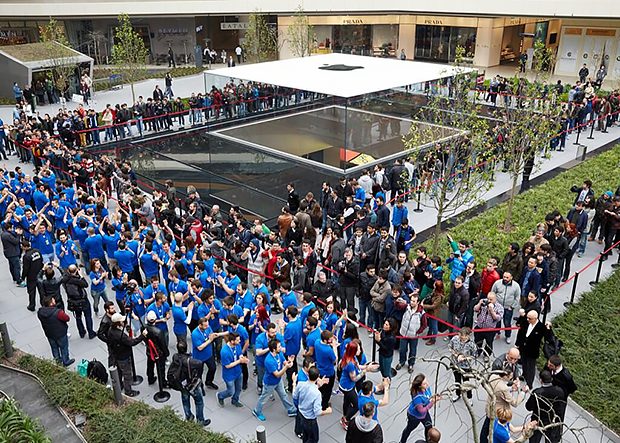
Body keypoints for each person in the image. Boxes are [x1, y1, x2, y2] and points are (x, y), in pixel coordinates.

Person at [252, 338, 297, 421]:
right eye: (279, 346)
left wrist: (289, 362)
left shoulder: (279, 354)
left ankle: (291, 410)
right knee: (263, 399)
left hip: (278, 381)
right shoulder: (269, 361)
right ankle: (257, 411)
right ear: (273, 349)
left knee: (283, 395)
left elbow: (284, 362)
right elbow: (277, 374)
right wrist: (286, 367)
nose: (281, 348)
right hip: (270, 383)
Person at [170, 341, 211, 426]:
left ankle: (188, 416)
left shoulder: (175, 357)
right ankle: (200, 421)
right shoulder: (191, 362)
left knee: (185, 400)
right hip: (191, 385)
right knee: (199, 402)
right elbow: (199, 364)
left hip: (181, 384)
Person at [480, 369, 527, 443]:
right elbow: (514, 403)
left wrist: (511, 389)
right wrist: (522, 392)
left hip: (490, 407)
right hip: (498, 411)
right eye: (510, 377)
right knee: (489, 428)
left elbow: (499, 391)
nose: (511, 379)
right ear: (505, 376)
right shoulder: (503, 388)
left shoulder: (493, 376)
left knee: (485, 429)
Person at [107, 312, 147, 397]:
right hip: (123, 356)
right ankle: (128, 391)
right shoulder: (119, 335)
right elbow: (132, 342)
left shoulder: (111, 330)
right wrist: (142, 336)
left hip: (116, 354)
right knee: (127, 374)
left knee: (120, 372)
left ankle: (120, 386)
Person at [293, 366, 332, 443]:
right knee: (314, 439)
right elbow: (317, 412)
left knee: (305, 435)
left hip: (301, 414)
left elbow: (295, 395)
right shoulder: (317, 394)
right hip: (310, 419)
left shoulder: (301, 384)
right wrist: (327, 411)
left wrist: (294, 382)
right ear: (317, 377)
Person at [400, 373, 441, 443]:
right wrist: (432, 402)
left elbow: (428, 397)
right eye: (424, 383)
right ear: (419, 386)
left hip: (424, 414)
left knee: (429, 427)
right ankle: (402, 441)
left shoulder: (426, 388)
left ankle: (428, 440)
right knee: (409, 429)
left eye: (426, 382)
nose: (427, 384)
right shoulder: (417, 397)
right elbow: (421, 410)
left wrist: (433, 397)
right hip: (415, 416)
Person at [525, 370, 564, 443]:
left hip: (537, 420)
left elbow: (528, 407)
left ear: (540, 380)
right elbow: (560, 408)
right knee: (549, 439)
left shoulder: (537, 393)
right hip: (551, 420)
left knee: (534, 439)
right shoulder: (560, 392)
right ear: (551, 379)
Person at [515, 310, 551, 388]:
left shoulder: (541, 327)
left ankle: (529, 383)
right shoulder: (525, 322)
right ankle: (524, 375)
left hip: (532, 350)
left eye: (530, 318)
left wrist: (548, 329)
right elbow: (520, 333)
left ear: (535, 318)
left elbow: (547, 338)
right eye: (527, 318)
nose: (528, 320)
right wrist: (517, 344)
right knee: (523, 362)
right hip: (523, 348)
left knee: (531, 367)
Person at [37, 296, 75, 367]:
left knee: (54, 348)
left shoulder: (40, 312)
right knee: (64, 347)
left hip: (49, 334)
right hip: (60, 333)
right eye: (53, 300)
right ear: (51, 303)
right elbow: (67, 318)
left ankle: (58, 362)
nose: (55, 301)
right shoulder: (58, 312)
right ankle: (66, 361)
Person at [62, 264, 96, 339]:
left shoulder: (65, 280)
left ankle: (81, 332)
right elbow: (86, 284)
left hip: (73, 301)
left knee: (78, 317)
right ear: (76, 270)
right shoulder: (77, 280)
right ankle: (90, 332)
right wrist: (81, 276)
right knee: (88, 316)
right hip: (83, 300)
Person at [217, 332, 248, 408]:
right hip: (229, 375)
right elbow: (227, 366)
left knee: (238, 388)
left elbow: (240, 354)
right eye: (237, 340)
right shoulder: (224, 351)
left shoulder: (237, 345)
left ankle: (235, 400)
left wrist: (242, 358)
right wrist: (239, 361)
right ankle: (220, 396)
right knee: (230, 391)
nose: (239, 341)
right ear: (232, 341)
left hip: (238, 371)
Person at [397, 294, 426, 373]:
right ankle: (401, 362)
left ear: (418, 302)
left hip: (413, 336)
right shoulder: (407, 307)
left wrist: (417, 332)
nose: (411, 302)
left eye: (414, 301)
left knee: (413, 351)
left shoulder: (421, 313)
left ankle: (411, 364)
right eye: (411, 300)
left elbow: (424, 325)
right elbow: (398, 306)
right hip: (404, 334)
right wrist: (398, 302)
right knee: (402, 349)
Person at [448, 327, 477, 402]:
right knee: (457, 380)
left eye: (464, 337)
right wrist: (455, 354)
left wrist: (464, 358)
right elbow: (450, 347)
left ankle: (469, 397)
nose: (462, 338)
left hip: (465, 367)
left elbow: (474, 355)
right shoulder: (455, 339)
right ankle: (458, 394)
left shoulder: (471, 344)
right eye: (461, 336)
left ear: (468, 336)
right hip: (455, 364)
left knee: (466, 382)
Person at [491, 272, 521, 344]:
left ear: (511, 277)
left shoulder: (516, 286)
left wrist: (512, 306)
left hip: (508, 308)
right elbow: (492, 293)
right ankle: (497, 332)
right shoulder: (497, 283)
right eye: (504, 277)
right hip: (498, 307)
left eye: (507, 277)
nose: (505, 279)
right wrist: (493, 304)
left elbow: (517, 298)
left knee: (507, 323)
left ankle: (508, 335)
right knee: (497, 321)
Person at [547, 355, 577, 422]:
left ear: (557, 366)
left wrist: (562, 392)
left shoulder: (566, 376)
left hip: (560, 400)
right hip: (549, 396)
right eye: (548, 364)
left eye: (551, 365)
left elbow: (572, 388)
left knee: (558, 419)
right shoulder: (549, 368)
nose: (548, 366)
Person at [473, 292, 503, 360]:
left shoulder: (499, 307)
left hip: (490, 329)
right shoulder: (484, 302)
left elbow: (498, 318)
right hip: (479, 327)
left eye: (491, 299)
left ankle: (486, 354)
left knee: (489, 343)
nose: (489, 301)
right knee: (477, 341)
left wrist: (492, 311)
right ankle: (478, 351)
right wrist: (479, 303)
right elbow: (475, 309)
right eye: (488, 298)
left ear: (495, 299)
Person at [144, 310, 169, 385]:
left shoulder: (144, 327)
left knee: (150, 365)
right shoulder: (158, 332)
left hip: (149, 350)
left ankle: (150, 378)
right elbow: (163, 344)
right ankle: (163, 382)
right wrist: (166, 353)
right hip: (158, 352)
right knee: (161, 368)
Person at [22, 239, 43, 311]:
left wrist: (23, 277)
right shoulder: (37, 251)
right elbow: (41, 261)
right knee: (41, 290)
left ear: (24, 247)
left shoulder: (26, 256)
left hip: (31, 276)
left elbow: (25, 268)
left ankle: (32, 305)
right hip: (39, 274)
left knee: (31, 292)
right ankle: (43, 303)